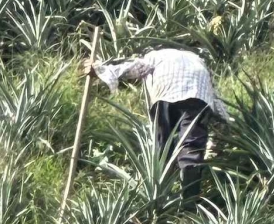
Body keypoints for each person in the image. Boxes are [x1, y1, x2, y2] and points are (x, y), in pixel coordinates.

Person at [83, 46, 228, 206]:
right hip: (198, 95)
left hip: (166, 91)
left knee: (162, 146)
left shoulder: (155, 56)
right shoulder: (199, 61)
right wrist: (227, 123)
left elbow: (133, 67)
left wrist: (100, 70)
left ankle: (160, 198)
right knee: (191, 148)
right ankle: (189, 203)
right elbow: (215, 96)